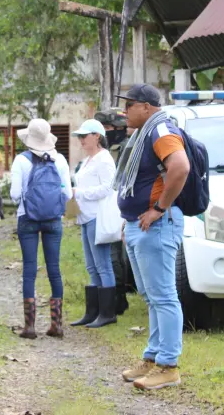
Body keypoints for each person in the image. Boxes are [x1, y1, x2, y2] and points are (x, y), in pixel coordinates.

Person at [115, 84, 190, 391]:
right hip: (139, 224)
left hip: (156, 224)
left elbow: (180, 167)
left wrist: (159, 208)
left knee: (163, 296)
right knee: (151, 296)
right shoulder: (145, 132)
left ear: (146, 106)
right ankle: (153, 357)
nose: (124, 111)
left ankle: (169, 366)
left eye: (129, 104)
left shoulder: (160, 130)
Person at [10, 119, 73, 339]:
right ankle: (56, 325)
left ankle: (29, 327)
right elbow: (68, 195)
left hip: (27, 218)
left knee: (30, 268)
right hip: (53, 219)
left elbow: (14, 194)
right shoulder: (61, 160)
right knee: (53, 268)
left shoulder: (21, 160)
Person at [69, 119, 118, 329]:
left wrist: (80, 193)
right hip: (86, 216)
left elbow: (108, 188)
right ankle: (93, 311)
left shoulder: (104, 159)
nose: (81, 140)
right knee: (91, 265)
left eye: (84, 136)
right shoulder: (89, 159)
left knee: (102, 264)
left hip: (98, 216)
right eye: (79, 137)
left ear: (97, 136)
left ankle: (107, 313)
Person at [94, 107, 130, 314]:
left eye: (107, 127)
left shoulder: (125, 148)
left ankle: (118, 298)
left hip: (118, 206)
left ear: (118, 128)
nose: (105, 131)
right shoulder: (108, 150)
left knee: (116, 255)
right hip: (106, 207)